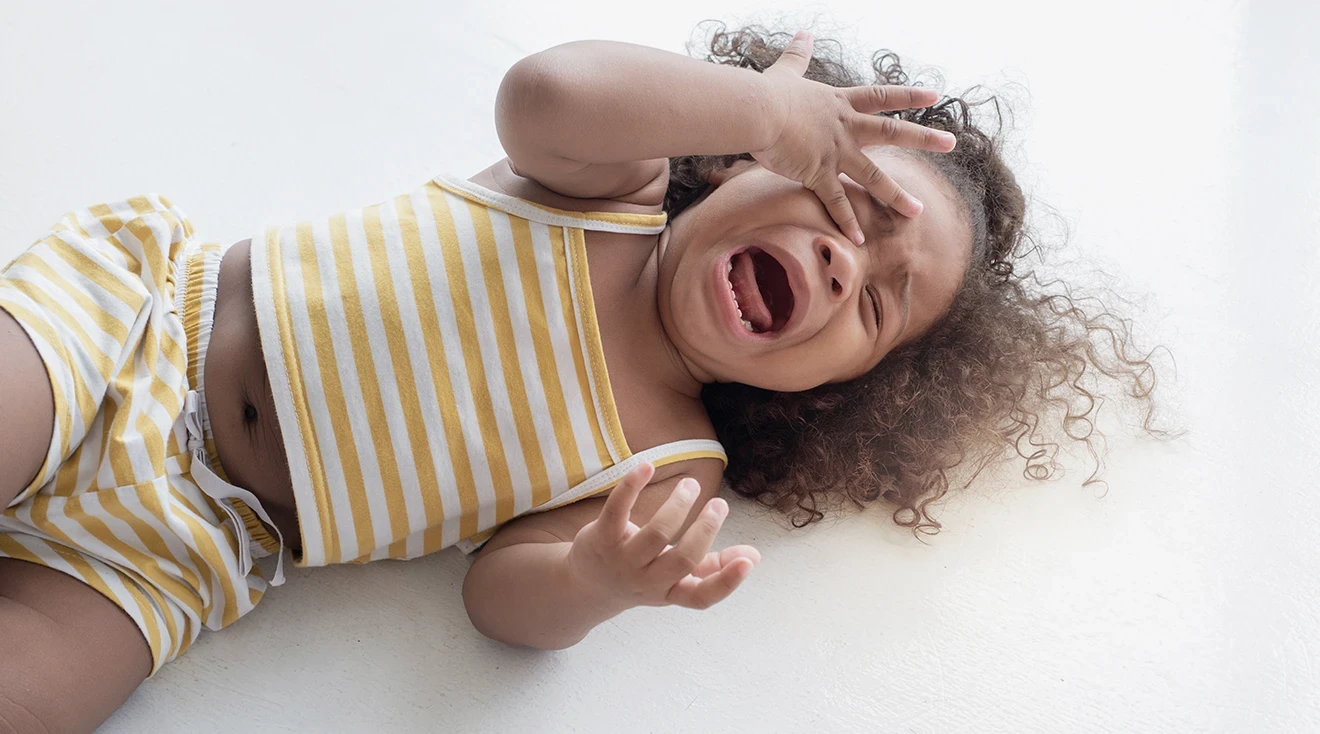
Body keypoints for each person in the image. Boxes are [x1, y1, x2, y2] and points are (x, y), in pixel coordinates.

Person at [0, 24, 1164, 732]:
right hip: (145, 332)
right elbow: (544, 92)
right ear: (739, 161)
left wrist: (597, 576)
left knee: (38, 701)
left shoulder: (666, 457)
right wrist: (768, 100)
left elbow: (499, 597)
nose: (837, 255)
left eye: (874, 299)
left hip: (201, 538)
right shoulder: (602, 187)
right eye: (845, 201)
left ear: (836, 390)